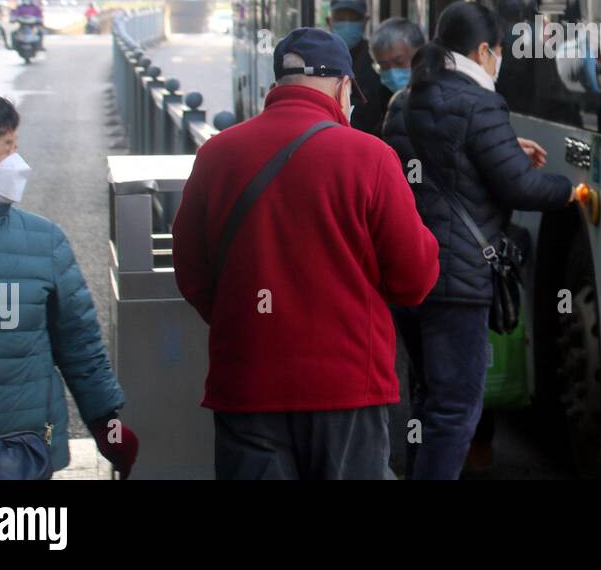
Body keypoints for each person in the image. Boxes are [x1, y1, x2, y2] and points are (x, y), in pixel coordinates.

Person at [172, 27, 439, 480]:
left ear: (278, 86)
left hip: (247, 383)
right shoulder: (369, 156)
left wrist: (243, 320)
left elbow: (191, 268)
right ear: (342, 86)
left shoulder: (217, 153)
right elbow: (414, 279)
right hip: (347, 388)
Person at [383, 0, 574, 480]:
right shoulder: (477, 100)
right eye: (498, 53)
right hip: (457, 277)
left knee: (427, 399)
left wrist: (508, 146)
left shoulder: (404, 101)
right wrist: (571, 190)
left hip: (410, 270)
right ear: (484, 50)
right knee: (457, 408)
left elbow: (443, 165)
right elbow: (519, 186)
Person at [0, 93, 137, 479]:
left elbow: (80, 346)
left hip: (19, 456)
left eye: (17, 147)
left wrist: (108, 425)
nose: (18, 164)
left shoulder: (44, 242)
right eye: (5, 150)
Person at [326, 0, 385, 136]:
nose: (347, 23)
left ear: (365, 22)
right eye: (340, 18)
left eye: (353, 18)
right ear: (329, 21)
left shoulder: (377, 60)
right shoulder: (318, 59)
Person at [369, 17, 426, 105]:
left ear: (421, 54)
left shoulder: (440, 96)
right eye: (384, 66)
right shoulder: (379, 97)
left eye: (399, 62)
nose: (392, 72)